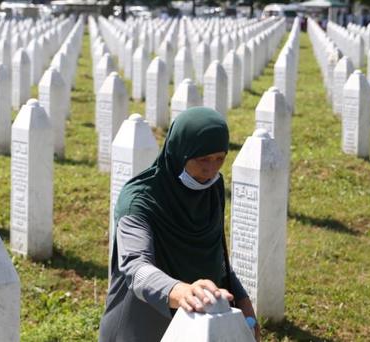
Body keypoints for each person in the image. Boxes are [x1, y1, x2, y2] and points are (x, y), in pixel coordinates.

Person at [99, 107, 259, 342]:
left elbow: (217, 256)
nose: (211, 170)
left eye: (219, 159)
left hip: (198, 323)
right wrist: (181, 291)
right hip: (140, 326)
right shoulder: (139, 201)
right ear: (180, 152)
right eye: (202, 159)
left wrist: (244, 306)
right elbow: (136, 267)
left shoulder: (212, 187)